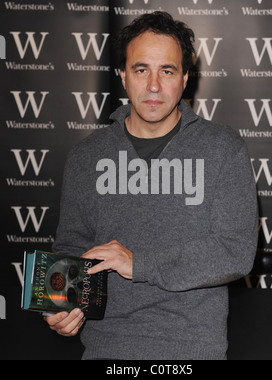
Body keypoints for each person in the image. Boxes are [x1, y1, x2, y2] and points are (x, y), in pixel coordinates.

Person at [45, 11, 258, 360]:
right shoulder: (86, 156)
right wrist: (60, 306)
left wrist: (138, 263)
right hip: (105, 348)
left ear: (185, 78)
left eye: (168, 71)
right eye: (141, 69)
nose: (154, 85)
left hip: (192, 350)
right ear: (123, 77)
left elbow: (234, 251)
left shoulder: (222, 148)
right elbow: (72, 248)